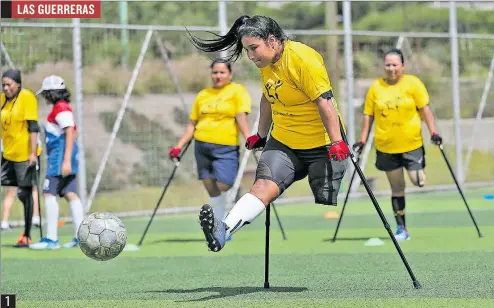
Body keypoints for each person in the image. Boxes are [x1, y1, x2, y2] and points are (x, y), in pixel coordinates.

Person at [188, 15, 351, 252]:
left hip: (322, 144)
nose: (252, 56)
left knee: (325, 194)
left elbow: (325, 102)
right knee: (262, 187)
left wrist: (337, 142)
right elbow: (268, 97)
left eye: (254, 49)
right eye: (247, 51)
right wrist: (261, 134)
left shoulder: (302, 59)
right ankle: (222, 230)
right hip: (285, 142)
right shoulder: (267, 64)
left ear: (272, 40)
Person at [353, 48, 442, 241]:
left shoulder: (413, 83)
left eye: (395, 64)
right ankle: (402, 229)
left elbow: (424, 109)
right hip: (386, 147)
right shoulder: (376, 87)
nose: (391, 68)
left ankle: (417, 169)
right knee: (397, 188)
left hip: (411, 144)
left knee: (418, 181)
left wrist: (433, 132)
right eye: (388, 64)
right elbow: (369, 115)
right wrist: (362, 139)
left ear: (403, 66)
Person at [169, 58, 252, 225]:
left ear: (230, 74)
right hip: (202, 145)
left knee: (224, 184)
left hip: (226, 146)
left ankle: (226, 206)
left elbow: (241, 116)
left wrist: (249, 138)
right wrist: (178, 146)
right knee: (208, 183)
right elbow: (192, 124)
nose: (218, 75)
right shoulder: (203, 95)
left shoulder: (237, 91)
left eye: (222, 72)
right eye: (215, 72)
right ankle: (216, 224)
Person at [29, 75, 84, 250]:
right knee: (69, 193)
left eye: (45, 93)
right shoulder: (62, 108)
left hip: (59, 158)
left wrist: (66, 159)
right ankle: (80, 237)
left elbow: (69, 132)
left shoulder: (60, 108)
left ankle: (51, 238)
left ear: (50, 93)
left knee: (49, 193)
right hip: (62, 156)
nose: (44, 97)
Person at [1, 69, 42, 247]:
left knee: (24, 192)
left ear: (18, 84)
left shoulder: (27, 97)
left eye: (8, 84)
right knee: (12, 191)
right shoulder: (2, 100)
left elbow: (33, 126)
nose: (5, 88)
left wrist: (33, 153)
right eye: (3, 85)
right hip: (7, 154)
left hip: (24, 156)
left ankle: (26, 235)